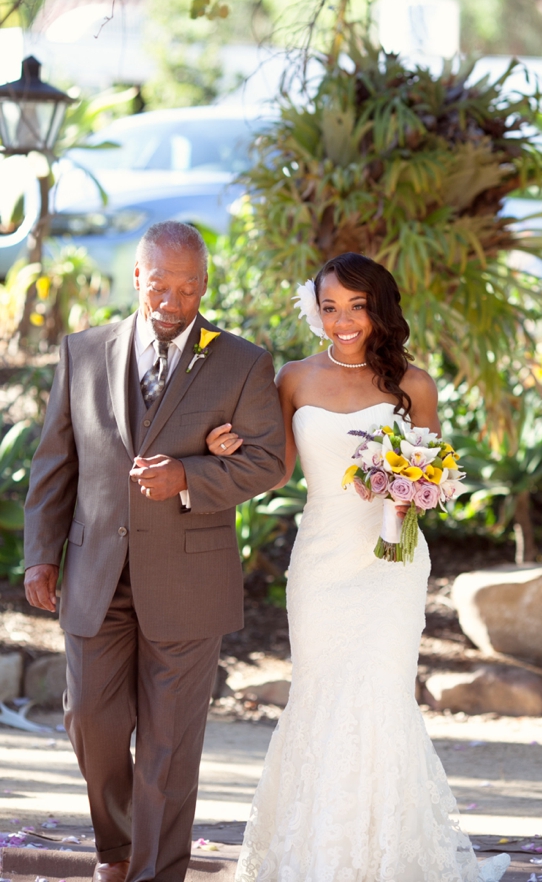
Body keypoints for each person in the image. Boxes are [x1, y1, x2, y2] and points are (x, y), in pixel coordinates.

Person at [205, 252, 510, 882]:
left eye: (357, 306)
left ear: (378, 309)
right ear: (315, 311)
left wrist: (411, 487)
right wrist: (224, 450)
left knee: (381, 694)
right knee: (319, 694)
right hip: (320, 564)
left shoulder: (414, 385)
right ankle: (315, 855)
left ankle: (387, 858)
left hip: (390, 564)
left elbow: (439, 474)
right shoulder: (292, 378)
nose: (342, 320)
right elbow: (277, 470)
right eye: (330, 307)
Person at [23, 220, 286, 882]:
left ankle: (154, 873)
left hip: (189, 583)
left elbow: (267, 461)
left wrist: (191, 478)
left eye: (190, 286)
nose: (174, 299)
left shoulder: (241, 360)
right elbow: (56, 462)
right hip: (94, 574)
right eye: (162, 284)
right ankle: (114, 848)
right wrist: (40, 554)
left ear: (205, 284)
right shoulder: (82, 352)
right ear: (138, 277)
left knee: (170, 744)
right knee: (90, 720)